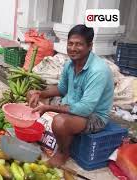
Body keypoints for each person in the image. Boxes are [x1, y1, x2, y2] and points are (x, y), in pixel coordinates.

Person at [27, 24, 114, 167]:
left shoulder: (98, 71)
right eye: (70, 43)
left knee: (60, 122)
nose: (73, 48)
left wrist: (49, 107)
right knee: (31, 94)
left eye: (79, 44)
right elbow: (62, 89)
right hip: (72, 105)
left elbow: (85, 109)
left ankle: (63, 153)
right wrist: (39, 93)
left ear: (90, 46)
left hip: (94, 116)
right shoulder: (70, 64)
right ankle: (50, 134)